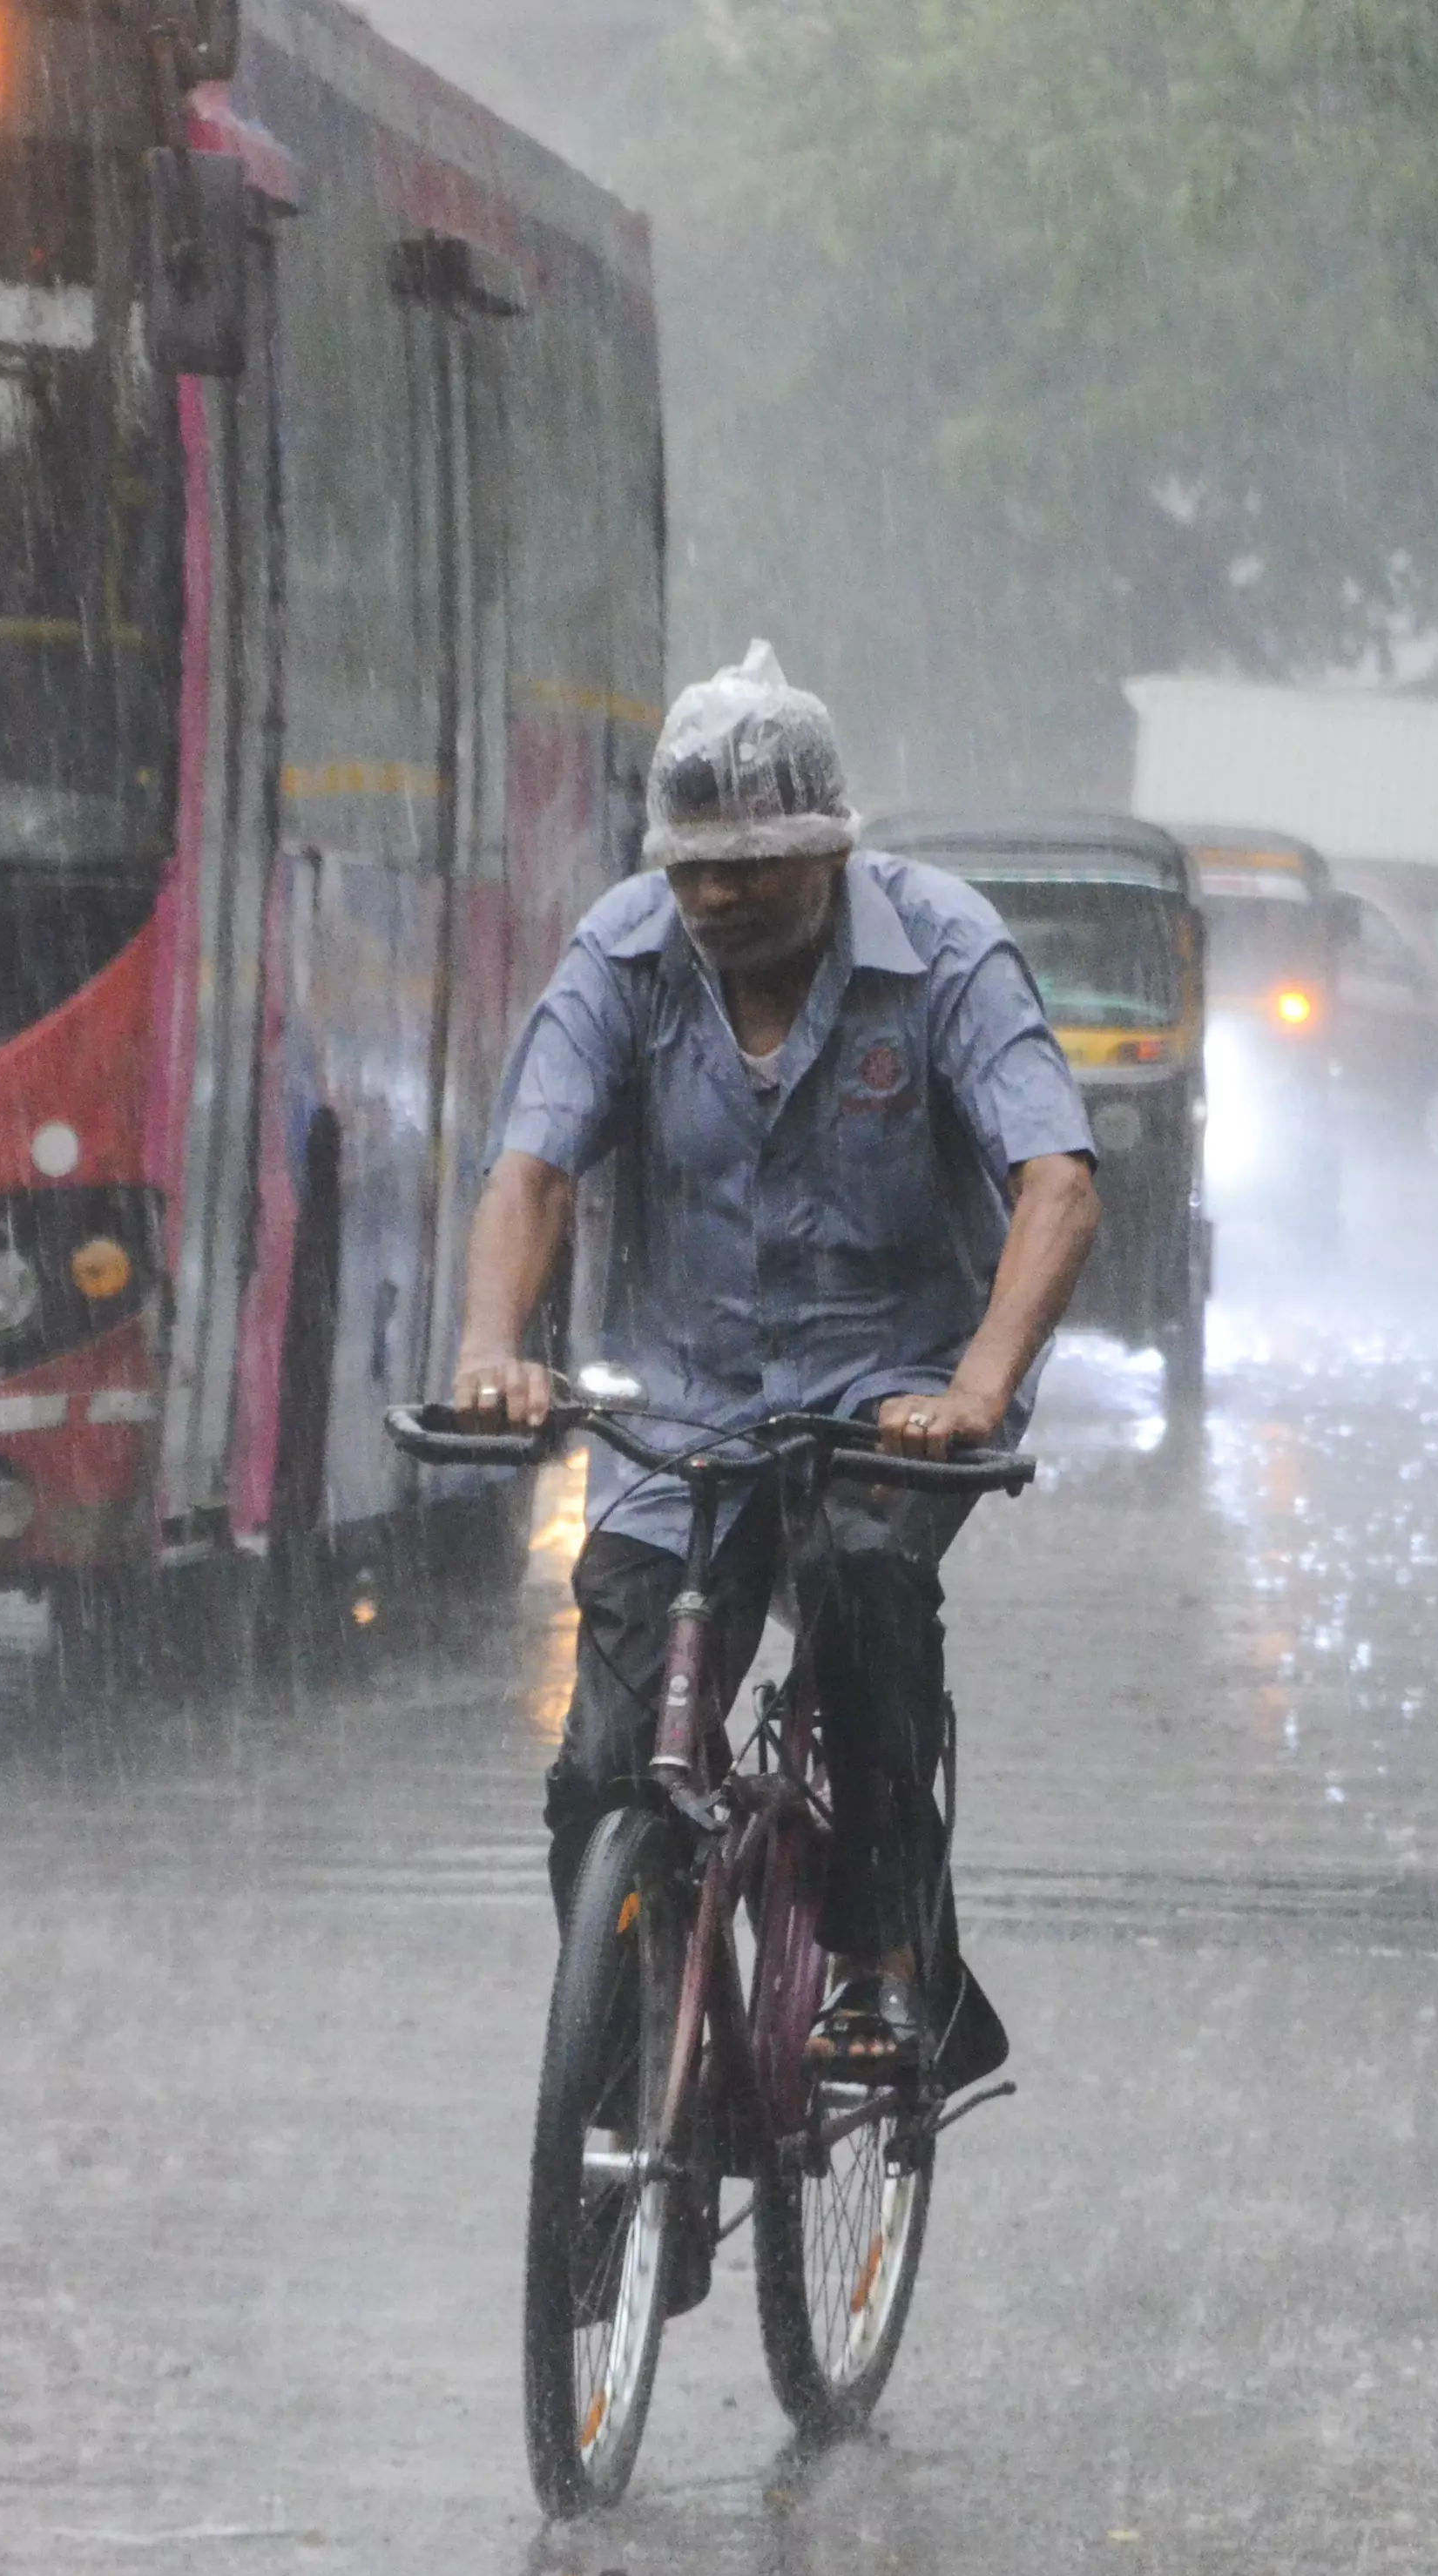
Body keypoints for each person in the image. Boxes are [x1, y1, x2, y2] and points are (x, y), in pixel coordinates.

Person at [447, 641, 1099, 2096]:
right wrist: (494, 1351)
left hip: (895, 1400)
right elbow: (534, 1171)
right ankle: (639, 2102)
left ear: (832, 851)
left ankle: (886, 1959)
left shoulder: (946, 952)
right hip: (678, 1407)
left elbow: (1058, 1186)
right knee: (603, 1773)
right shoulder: (620, 956)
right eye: (696, 872)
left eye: (756, 868)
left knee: (867, 1591)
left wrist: (978, 1391)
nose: (721, 898)